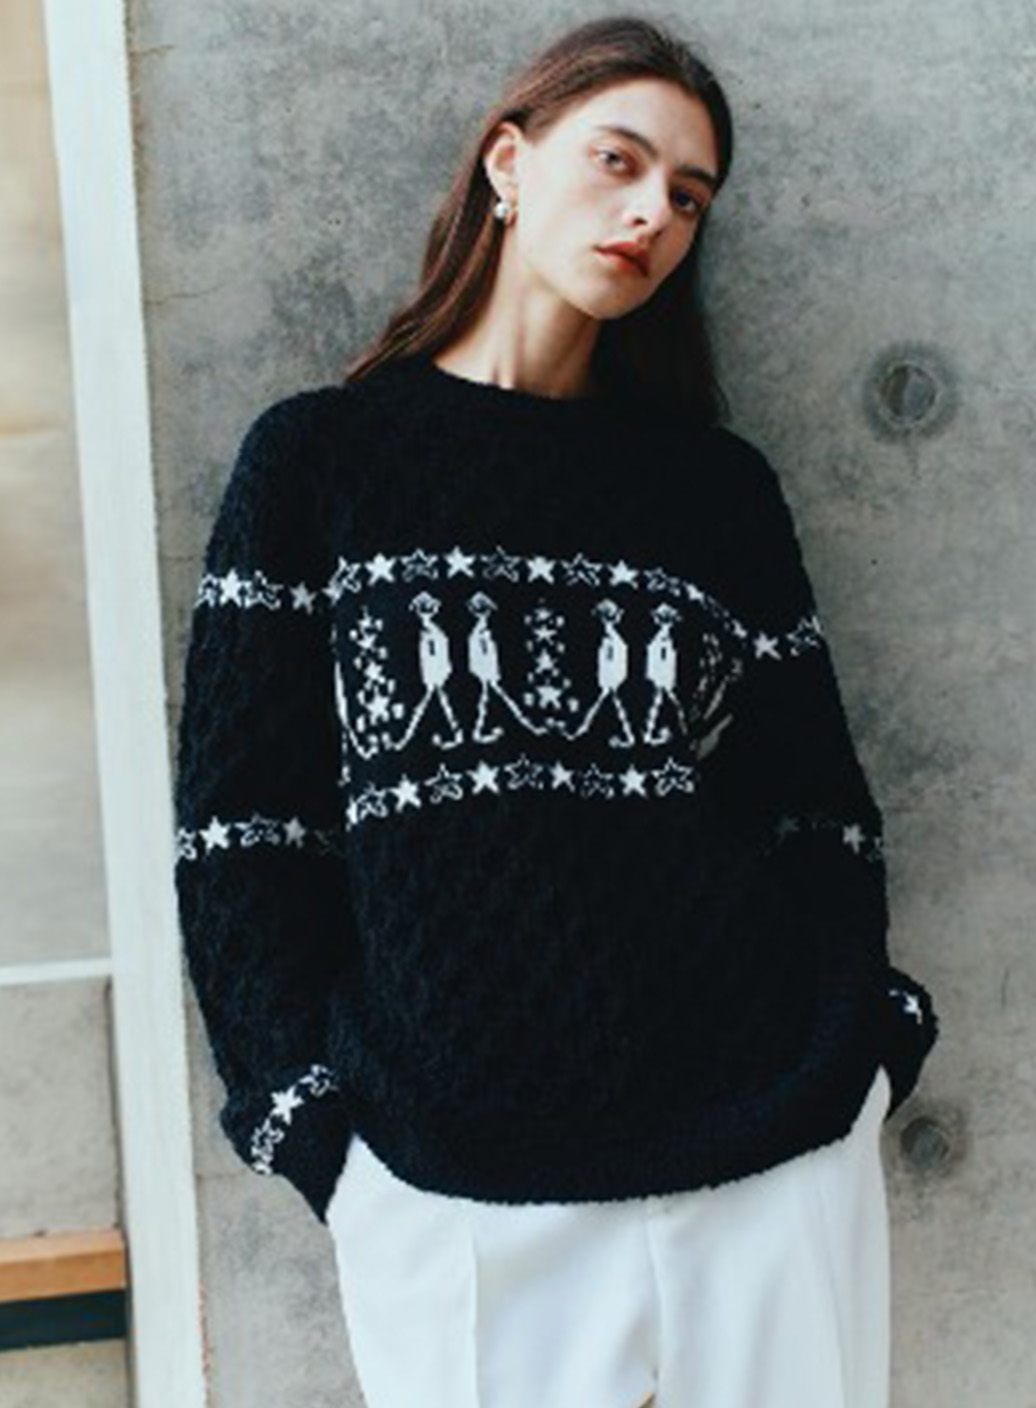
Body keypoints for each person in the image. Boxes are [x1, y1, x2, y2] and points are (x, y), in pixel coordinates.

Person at [172, 15, 941, 1408]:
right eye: (620, 160)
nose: (654, 214)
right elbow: (242, 830)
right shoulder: (320, 462)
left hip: (768, 1151)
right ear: (508, 163)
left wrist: (867, 1046)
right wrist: (311, 1132)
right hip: (454, 1183)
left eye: (690, 196)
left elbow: (816, 808)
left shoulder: (714, 491)